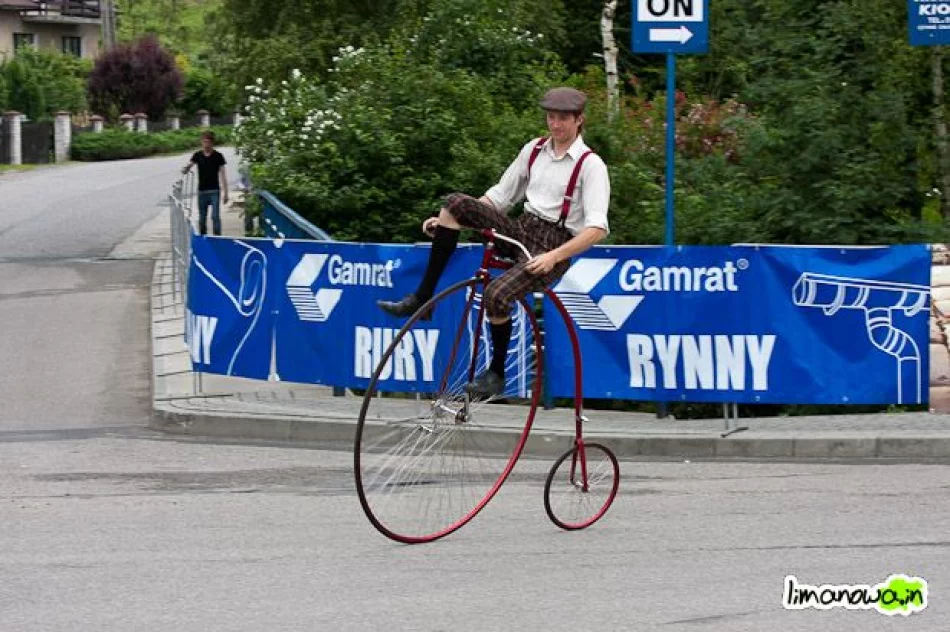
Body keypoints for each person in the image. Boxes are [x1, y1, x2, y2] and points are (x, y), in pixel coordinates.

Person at [378, 87, 611, 397]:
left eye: (563, 119)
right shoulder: (534, 150)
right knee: (454, 204)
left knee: (496, 295)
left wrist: (554, 256)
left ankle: (497, 373)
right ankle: (422, 297)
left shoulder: (591, 166)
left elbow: (597, 229)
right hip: (521, 228)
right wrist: (453, 219)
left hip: (553, 244)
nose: (555, 125)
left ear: (579, 120)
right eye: (551, 117)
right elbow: (499, 197)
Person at [181, 131, 229, 236]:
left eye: (208, 142)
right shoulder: (197, 155)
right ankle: (203, 236)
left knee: (215, 216)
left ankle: (217, 237)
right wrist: (185, 169)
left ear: (212, 143)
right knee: (202, 217)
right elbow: (190, 164)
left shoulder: (218, 156)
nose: (206, 144)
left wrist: (226, 193)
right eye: (204, 142)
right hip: (202, 190)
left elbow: (223, 175)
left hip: (214, 190)